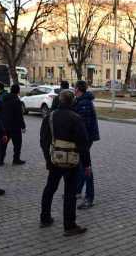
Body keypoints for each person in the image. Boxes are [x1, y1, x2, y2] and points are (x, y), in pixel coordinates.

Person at [40, 90, 91, 236]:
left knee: (50, 188)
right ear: (72, 101)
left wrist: (47, 159)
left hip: (55, 160)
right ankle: (69, 226)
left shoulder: (50, 117)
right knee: (70, 193)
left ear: (59, 101)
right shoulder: (76, 118)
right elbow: (83, 144)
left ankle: (45, 218)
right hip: (72, 161)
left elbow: (43, 141)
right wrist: (87, 164)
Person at [73, 80, 99, 210]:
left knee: (85, 166)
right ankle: (77, 191)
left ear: (78, 89)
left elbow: (83, 125)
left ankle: (90, 197)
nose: (73, 90)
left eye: (74, 88)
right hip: (84, 139)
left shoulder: (84, 103)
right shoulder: (80, 101)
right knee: (81, 165)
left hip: (85, 139)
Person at [0, 84, 26, 165]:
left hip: (4, 125)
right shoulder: (17, 100)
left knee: (3, 144)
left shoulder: (3, 98)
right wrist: (23, 126)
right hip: (15, 126)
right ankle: (16, 159)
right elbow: (19, 114)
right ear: (18, 91)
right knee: (17, 144)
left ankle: (0, 160)